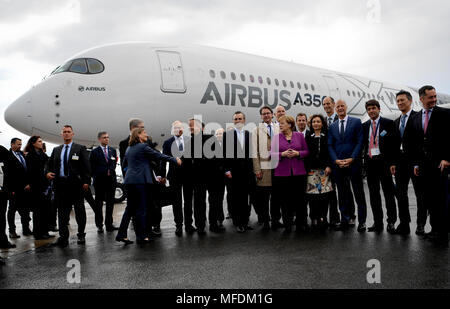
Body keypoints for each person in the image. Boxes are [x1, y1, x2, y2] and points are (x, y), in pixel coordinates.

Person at [116, 128, 181, 245]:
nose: (146, 134)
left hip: (129, 181)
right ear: (139, 135)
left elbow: (125, 165)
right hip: (140, 181)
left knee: (129, 209)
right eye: (144, 133)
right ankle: (142, 237)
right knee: (141, 209)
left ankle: (121, 234)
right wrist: (175, 160)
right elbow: (159, 155)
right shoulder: (142, 146)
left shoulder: (129, 148)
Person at [409, 86, 450, 242]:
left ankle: (443, 232)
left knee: (441, 200)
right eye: (430, 97)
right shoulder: (416, 118)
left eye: (435, 96)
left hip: (440, 165)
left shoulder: (445, 114)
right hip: (423, 166)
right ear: (421, 99)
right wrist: (416, 164)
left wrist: (447, 158)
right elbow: (415, 144)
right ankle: (434, 229)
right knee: (430, 200)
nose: (434, 99)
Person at [45, 125, 91, 248]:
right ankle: (63, 237)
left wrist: (86, 181)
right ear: (61, 134)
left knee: (79, 211)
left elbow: (86, 167)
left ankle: (81, 233)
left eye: (68, 132)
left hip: (76, 185)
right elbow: (48, 165)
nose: (66, 134)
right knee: (62, 213)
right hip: (61, 185)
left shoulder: (80, 148)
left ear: (72, 134)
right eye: (64, 132)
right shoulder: (56, 150)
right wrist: (47, 173)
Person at [328, 100, 367, 232]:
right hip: (339, 165)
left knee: (358, 193)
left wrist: (353, 158)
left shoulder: (356, 122)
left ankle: (362, 222)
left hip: (354, 163)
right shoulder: (332, 126)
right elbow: (330, 145)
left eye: (342, 106)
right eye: (337, 107)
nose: (340, 108)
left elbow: (360, 141)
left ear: (346, 107)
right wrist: (335, 160)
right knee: (342, 194)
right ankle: (345, 219)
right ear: (335, 108)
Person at [391, 90, 423, 235]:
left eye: (402, 100)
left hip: (415, 162)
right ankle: (404, 223)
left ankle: (420, 224)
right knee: (401, 194)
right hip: (400, 162)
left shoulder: (418, 117)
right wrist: (393, 163)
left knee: (420, 194)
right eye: (397, 101)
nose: (400, 103)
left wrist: (418, 163)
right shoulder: (396, 121)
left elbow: (422, 142)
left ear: (410, 101)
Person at [362, 100, 398, 233]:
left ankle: (391, 222)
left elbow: (395, 144)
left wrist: (393, 162)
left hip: (385, 164)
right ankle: (378, 222)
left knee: (388, 194)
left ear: (379, 109)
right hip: (371, 164)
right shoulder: (365, 126)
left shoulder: (388, 123)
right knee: (374, 195)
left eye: (373, 108)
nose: (371, 111)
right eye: (369, 109)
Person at [271, 115, 309, 232]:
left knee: (300, 199)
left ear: (290, 125)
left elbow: (306, 151)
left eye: (282, 123)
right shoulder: (276, 138)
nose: (280, 125)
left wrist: (298, 153)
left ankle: (301, 222)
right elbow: (271, 154)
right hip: (282, 174)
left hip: (299, 173)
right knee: (285, 200)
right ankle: (287, 223)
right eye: (279, 123)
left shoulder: (299, 136)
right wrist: (282, 154)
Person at [224, 111, 255, 233]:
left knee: (246, 198)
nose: (238, 121)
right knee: (236, 198)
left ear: (244, 120)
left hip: (247, 172)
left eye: (240, 119)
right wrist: (227, 170)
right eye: (235, 119)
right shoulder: (228, 135)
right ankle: (238, 223)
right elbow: (224, 154)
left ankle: (245, 221)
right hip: (234, 172)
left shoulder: (250, 135)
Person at [181, 118, 214, 235]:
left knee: (212, 200)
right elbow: (186, 162)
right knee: (199, 202)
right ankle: (200, 226)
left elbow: (217, 158)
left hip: (210, 175)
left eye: (192, 126)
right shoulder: (189, 142)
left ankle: (213, 223)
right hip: (195, 177)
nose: (190, 128)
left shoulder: (211, 139)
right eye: (189, 126)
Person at [252, 106, 279, 230]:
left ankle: (275, 219)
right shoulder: (256, 130)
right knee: (264, 196)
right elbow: (254, 153)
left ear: (273, 115)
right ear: (261, 116)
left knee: (276, 196)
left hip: (278, 167)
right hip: (264, 168)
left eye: (268, 113)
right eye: (264, 114)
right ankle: (265, 220)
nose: (266, 115)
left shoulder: (279, 128)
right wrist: (257, 170)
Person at [305, 115, 333, 230]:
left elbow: (331, 151)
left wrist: (329, 165)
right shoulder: (308, 137)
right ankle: (314, 217)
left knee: (324, 196)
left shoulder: (327, 136)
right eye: (314, 122)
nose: (316, 123)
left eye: (318, 121)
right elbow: (306, 155)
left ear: (322, 123)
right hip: (311, 171)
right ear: (311, 124)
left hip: (324, 171)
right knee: (313, 196)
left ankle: (323, 217)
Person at [162, 121, 190, 236]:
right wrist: (162, 175)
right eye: (175, 128)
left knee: (188, 201)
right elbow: (163, 160)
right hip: (174, 176)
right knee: (176, 202)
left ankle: (189, 224)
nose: (177, 130)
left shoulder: (189, 140)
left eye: (179, 128)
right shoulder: (167, 143)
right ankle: (178, 225)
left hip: (188, 176)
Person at [24, 136, 54, 240]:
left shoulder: (42, 154)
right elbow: (32, 173)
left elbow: (49, 165)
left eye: (42, 141)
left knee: (45, 210)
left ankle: (45, 231)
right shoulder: (30, 156)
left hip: (45, 186)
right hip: (36, 186)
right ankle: (38, 233)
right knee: (38, 212)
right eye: (39, 141)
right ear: (33, 143)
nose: (41, 143)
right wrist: (44, 175)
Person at [90, 131, 119, 233]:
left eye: (107, 137)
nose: (106, 139)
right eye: (104, 137)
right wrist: (97, 175)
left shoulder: (112, 150)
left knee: (110, 203)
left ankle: (109, 224)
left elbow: (114, 163)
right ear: (99, 139)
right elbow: (92, 167)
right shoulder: (95, 152)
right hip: (99, 181)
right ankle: (99, 225)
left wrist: (110, 172)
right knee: (99, 204)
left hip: (111, 180)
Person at [322, 96, 341, 228]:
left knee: (342, 190)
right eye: (325, 104)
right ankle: (328, 218)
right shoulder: (322, 121)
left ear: (333, 104)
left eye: (329, 103)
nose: (327, 106)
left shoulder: (339, 118)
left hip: (338, 160)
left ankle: (345, 216)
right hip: (326, 161)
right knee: (328, 192)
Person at [7, 138, 32, 238]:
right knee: (12, 210)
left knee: (25, 210)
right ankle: (12, 231)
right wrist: (11, 189)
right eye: (18, 144)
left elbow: (27, 171)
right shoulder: (8, 156)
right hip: (14, 189)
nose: (20, 146)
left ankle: (26, 229)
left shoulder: (22, 155)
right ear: (12, 144)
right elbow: (8, 174)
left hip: (25, 188)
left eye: (21, 144)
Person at [1, 139, 16, 249]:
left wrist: (9, 187)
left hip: (2, 192)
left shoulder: (2, 150)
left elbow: (11, 168)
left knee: (1, 218)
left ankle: (2, 241)